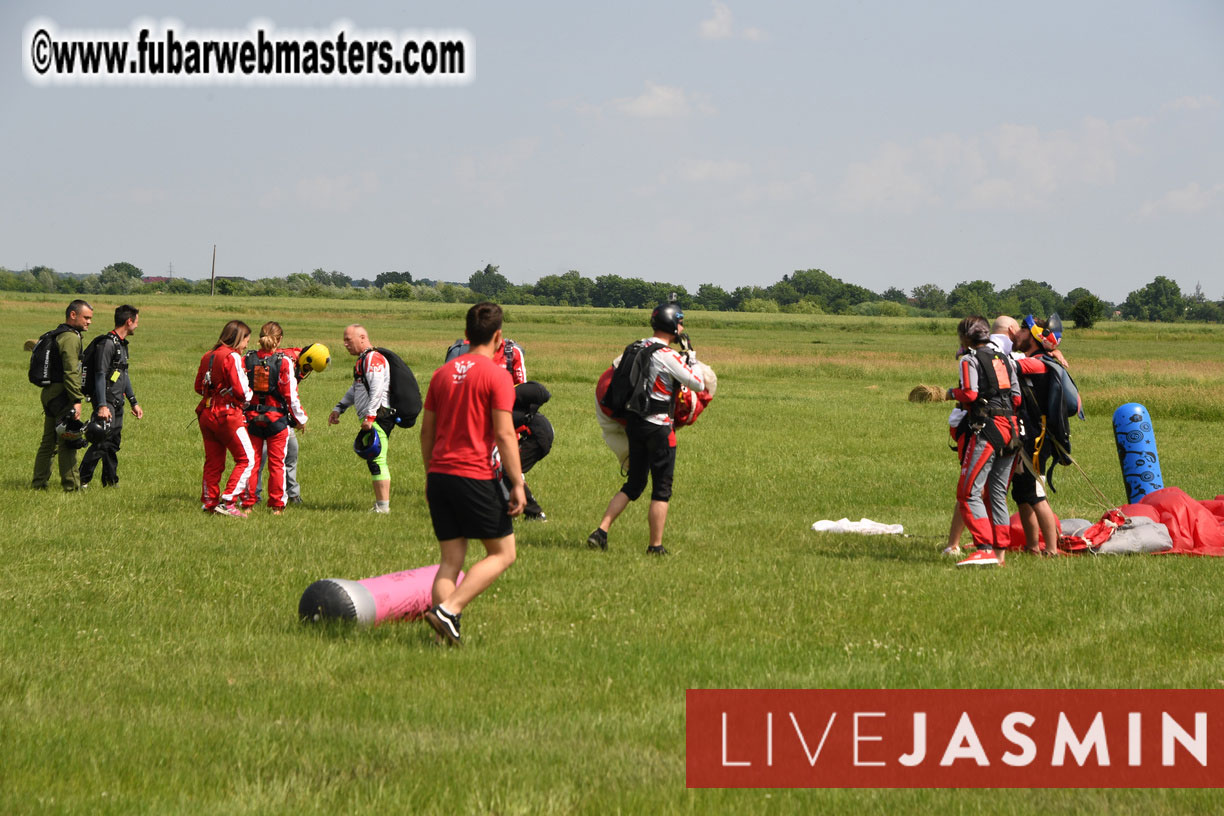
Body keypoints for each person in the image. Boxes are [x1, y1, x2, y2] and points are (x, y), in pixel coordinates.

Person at [421, 302, 526, 646]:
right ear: (499, 337)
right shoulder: (498, 375)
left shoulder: (442, 373)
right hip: (474, 474)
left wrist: (430, 475)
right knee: (503, 553)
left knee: (451, 560)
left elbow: (427, 433)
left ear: (466, 335)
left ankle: (443, 637)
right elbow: (505, 434)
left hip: (439, 476)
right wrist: (518, 483)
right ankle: (449, 610)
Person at [587, 302, 705, 556]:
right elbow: (697, 383)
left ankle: (601, 530)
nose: (682, 327)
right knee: (661, 489)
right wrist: (691, 358)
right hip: (660, 427)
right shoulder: (669, 356)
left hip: (634, 425)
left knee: (634, 483)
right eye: (681, 322)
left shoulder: (636, 346)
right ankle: (655, 546)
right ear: (673, 325)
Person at [446, 336, 550, 520]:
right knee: (503, 468)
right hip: (524, 427)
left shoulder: (511, 356)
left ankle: (529, 512)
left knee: (504, 468)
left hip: (530, 433)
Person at [948, 315, 1021, 567]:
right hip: (1012, 430)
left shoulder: (970, 360)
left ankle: (984, 548)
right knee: (998, 494)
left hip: (987, 429)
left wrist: (949, 393)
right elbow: (1016, 397)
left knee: (968, 492)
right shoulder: (1004, 359)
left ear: (965, 338)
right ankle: (999, 555)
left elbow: (970, 393)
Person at [1011, 315, 1071, 556]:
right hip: (1026, 437)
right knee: (1023, 495)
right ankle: (1033, 547)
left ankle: (1052, 550)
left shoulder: (1037, 364)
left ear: (1034, 336)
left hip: (1035, 440)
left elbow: (1001, 365)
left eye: (1023, 329)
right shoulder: (1037, 360)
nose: (1018, 334)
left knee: (1036, 495)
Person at [240, 322, 308, 515]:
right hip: (276, 419)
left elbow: (242, 390)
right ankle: (277, 507)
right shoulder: (284, 361)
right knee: (277, 464)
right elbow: (291, 395)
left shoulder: (247, 359)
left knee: (252, 462)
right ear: (279, 340)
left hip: (252, 418)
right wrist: (301, 419)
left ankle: (247, 504)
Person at [328, 325, 392, 513]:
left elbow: (377, 389)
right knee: (374, 460)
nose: (345, 343)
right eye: (344, 340)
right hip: (371, 417)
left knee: (377, 459)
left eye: (349, 339)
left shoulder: (373, 359)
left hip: (378, 416)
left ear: (363, 337)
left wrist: (370, 416)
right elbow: (357, 387)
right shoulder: (363, 359)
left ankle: (383, 507)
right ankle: (381, 505)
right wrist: (340, 407)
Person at [194, 320, 255, 517]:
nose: (246, 345)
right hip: (227, 415)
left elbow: (198, 387)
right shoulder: (233, 357)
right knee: (247, 459)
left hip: (206, 413)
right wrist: (248, 396)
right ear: (238, 339)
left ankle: (209, 502)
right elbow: (242, 391)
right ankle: (229, 501)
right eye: (246, 340)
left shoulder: (207, 356)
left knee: (213, 461)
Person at [80, 305, 143, 488]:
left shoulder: (121, 344)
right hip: (106, 401)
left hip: (118, 402)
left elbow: (123, 375)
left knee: (113, 443)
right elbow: (100, 374)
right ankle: (82, 480)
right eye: (136, 322)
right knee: (100, 440)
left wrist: (133, 402)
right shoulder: (107, 344)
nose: (137, 326)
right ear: (128, 321)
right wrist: (101, 405)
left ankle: (110, 481)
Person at [32, 299, 93, 491]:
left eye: (91, 318)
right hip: (62, 395)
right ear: (73, 315)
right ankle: (72, 486)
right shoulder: (70, 338)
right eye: (86, 317)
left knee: (48, 441)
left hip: (49, 393)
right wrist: (77, 400)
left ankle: (38, 483)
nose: (89, 322)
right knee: (68, 439)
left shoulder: (58, 333)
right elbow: (71, 371)